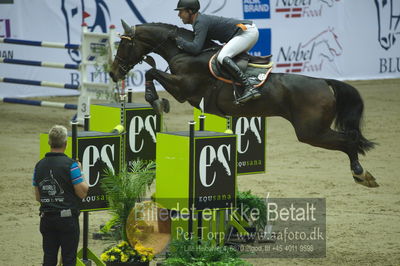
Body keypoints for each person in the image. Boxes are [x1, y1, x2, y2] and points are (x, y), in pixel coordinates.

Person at [174, 0, 261, 103]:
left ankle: (249, 87)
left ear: (190, 11)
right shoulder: (200, 21)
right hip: (245, 31)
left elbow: (195, 49)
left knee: (222, 56)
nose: (179, 15)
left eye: (181, 11)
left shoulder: (200, 22)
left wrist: (178, 41)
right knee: (227, 58)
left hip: (246, 33)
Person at [33, 125, 88, 266]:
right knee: (69, 259)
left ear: (49, 142)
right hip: (67, 220)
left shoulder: (39, 166)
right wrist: (81, 172)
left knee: (49, 258)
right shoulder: (71, 165)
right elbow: (82, 193)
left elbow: (38, 197)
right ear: (65, 143)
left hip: (46, 218)